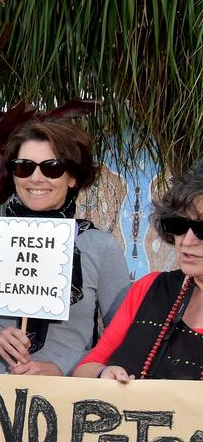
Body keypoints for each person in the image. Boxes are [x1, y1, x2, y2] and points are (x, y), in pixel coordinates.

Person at [0, 121, 129, 442]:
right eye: (24, 167)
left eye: (51, 167)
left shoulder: (100, 247)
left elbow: (123, 333)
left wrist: (65, 368)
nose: (36, 178)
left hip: (64, 406)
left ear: (72, 177)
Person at [75, 160, 203, 381]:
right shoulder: (149, 288)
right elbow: (86, 368)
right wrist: (103, 373)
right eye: (179, 225)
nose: (188, 240)